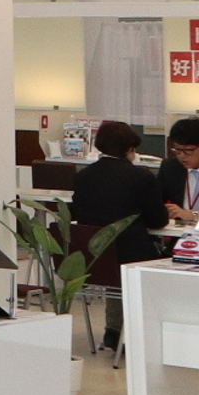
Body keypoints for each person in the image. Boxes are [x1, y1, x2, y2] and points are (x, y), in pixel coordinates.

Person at [73, 121, 166, 348]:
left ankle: (114, 329)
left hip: (94, 259)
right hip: (131, 258)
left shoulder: (83, 176)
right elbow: (158, 220)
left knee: (116, 264)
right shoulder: (141, 177)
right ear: (129, 149)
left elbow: (78, 213)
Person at [161, 116, 199, 221]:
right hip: (178, 229)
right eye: (177, 150)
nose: (182, 156)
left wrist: (192, 215)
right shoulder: (170, 167)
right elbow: (157, 201)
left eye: (188, 151)